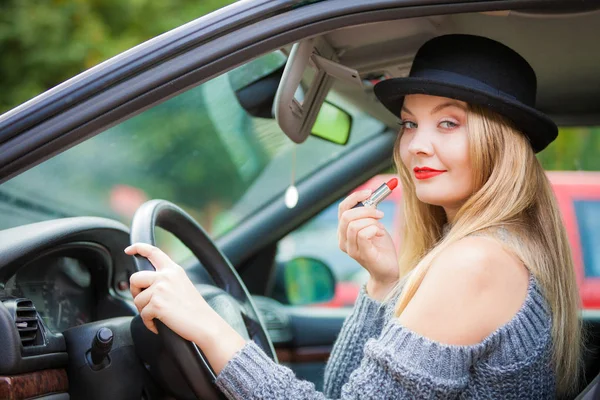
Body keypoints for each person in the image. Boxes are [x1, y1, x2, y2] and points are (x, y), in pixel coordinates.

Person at [125, 34, 581, 398]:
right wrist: (383, 284)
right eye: (409, 123)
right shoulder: (502, 247)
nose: (417, 144)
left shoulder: (475, 262)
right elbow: (347, 390)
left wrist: (209, 328)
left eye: (448, 123)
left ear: (500, 141)